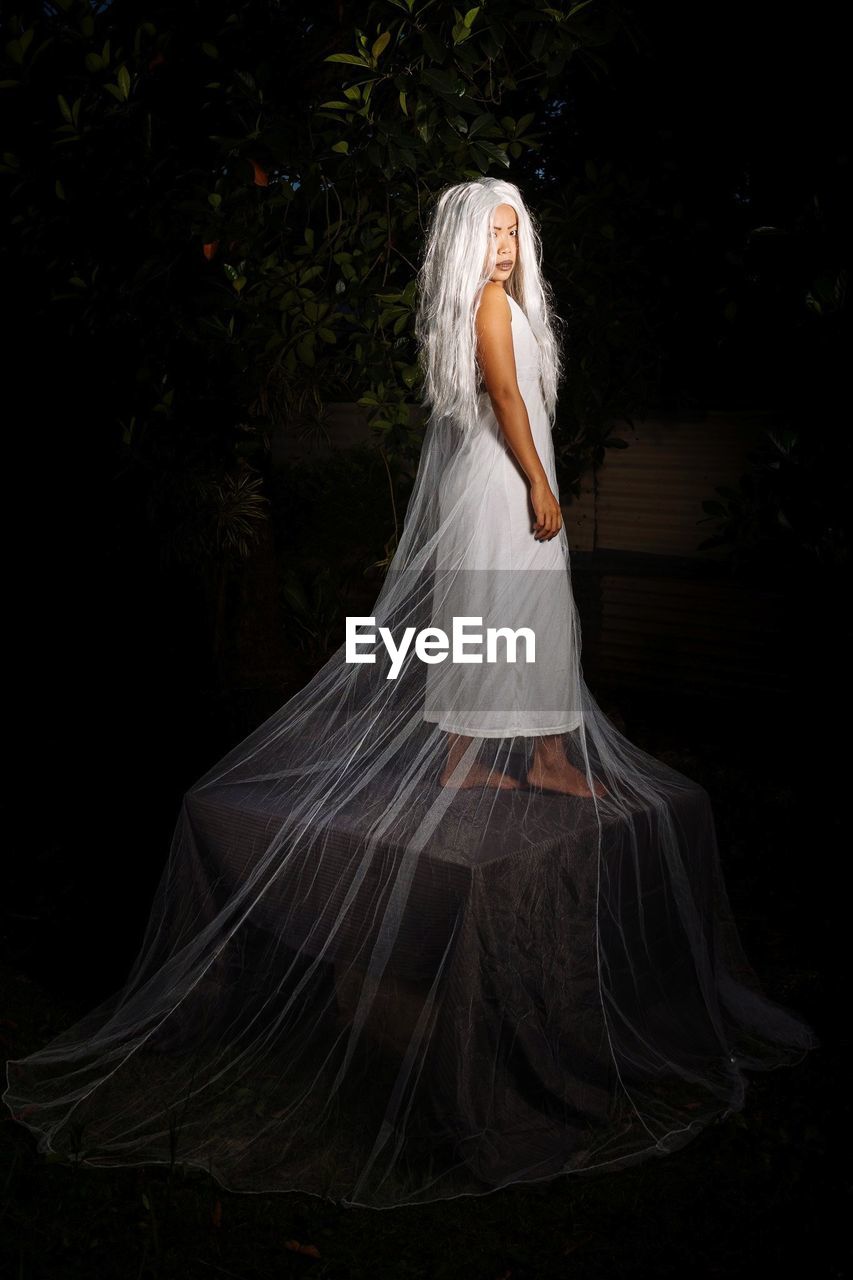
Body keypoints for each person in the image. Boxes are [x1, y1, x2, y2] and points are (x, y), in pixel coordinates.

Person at [3, 178, 819, 1211]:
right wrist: (535, 477)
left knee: (526, 618)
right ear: (466, 249)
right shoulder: (485, 312)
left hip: (506, 473)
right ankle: (502, 747)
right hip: (503, 476)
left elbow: (526, 386)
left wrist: (534, 465)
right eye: (492, 236)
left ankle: (514, 748)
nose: (506, 251)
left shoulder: (516, 308)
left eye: (517, 235)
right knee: (514, 613)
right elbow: (511, 403)